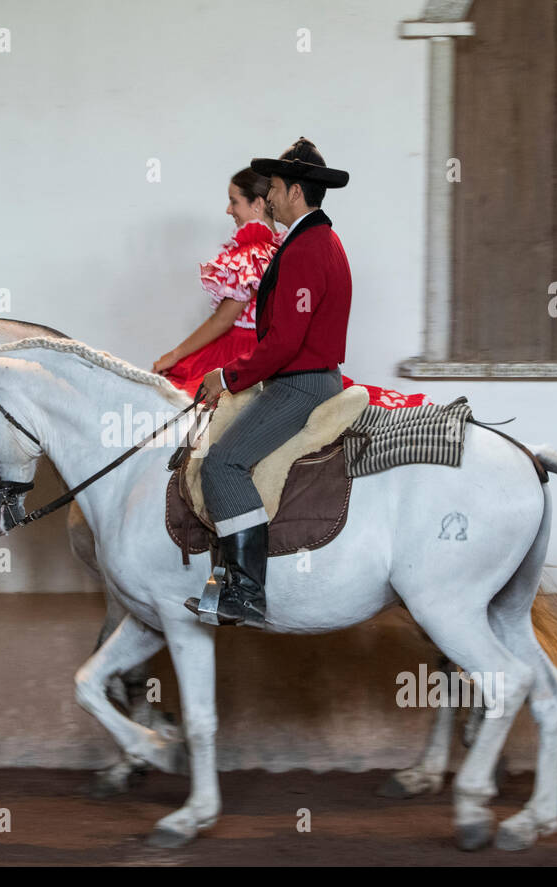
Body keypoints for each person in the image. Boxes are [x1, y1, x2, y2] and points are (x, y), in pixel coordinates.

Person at [186, 137, 352, 628]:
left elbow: (283, 343)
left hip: (300, 386)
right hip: (301, 377)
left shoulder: (306, 249)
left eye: (276, 188)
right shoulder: (316, 239)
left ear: (296, 192)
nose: (271, 197)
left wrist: (227, 376)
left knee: (223, 463)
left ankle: (246, 592)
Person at [154, 169, 281, 393]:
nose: (229, 210)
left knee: (181, 394)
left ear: (258, 204)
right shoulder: (278, 249)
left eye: (234, 201)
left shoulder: (254, 253)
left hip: (240, 351)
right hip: (263, 351)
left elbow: (222, 320)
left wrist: (174, 355)